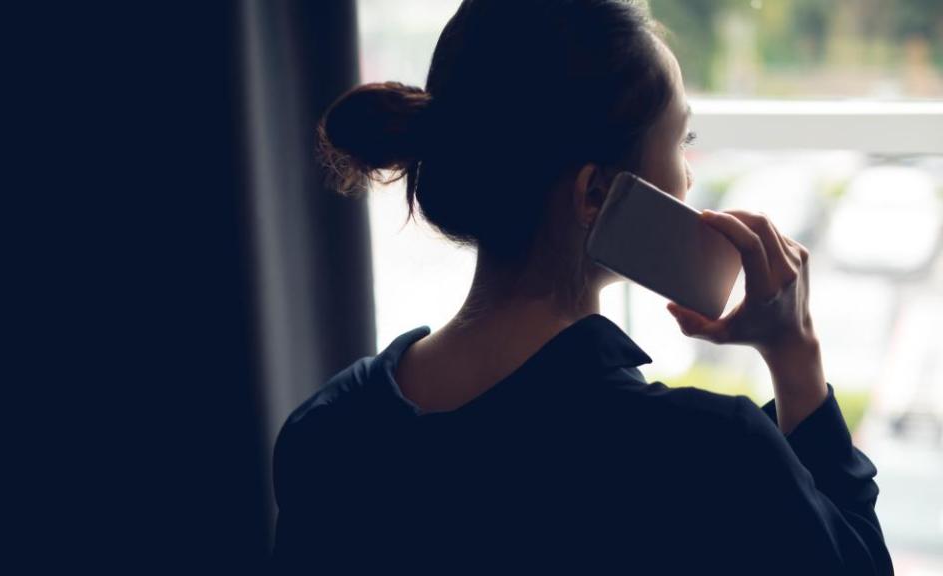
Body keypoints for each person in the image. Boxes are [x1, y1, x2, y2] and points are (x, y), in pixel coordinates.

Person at [268, 1, 893, 574]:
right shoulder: (706, 456)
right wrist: (796, 356)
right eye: (681, 141)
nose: (687, 176)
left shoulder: (325, 431)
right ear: (595, 193)